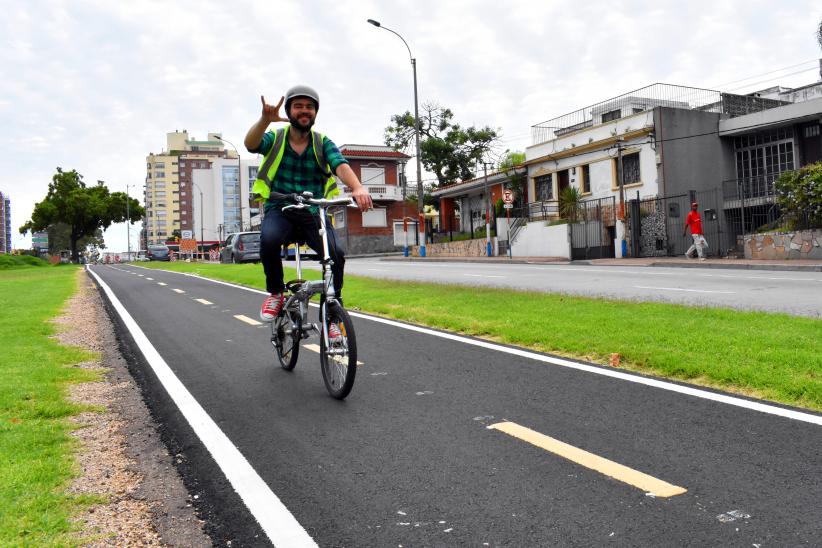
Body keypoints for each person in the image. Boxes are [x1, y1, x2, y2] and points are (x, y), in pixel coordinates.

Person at [245, 85, 372, 328]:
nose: (305, 111)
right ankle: (275, 293)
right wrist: (264, 120)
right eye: (299, 106)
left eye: (310, 107)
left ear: (315, 112)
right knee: (268, 240)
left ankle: (333, 310)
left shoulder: (321, 142)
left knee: (336, 253)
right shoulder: (276, 138)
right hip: (280, 209)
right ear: (289, 111)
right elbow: (252, 144)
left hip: (313, 212)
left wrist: (357, 187)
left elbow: (340, 164)